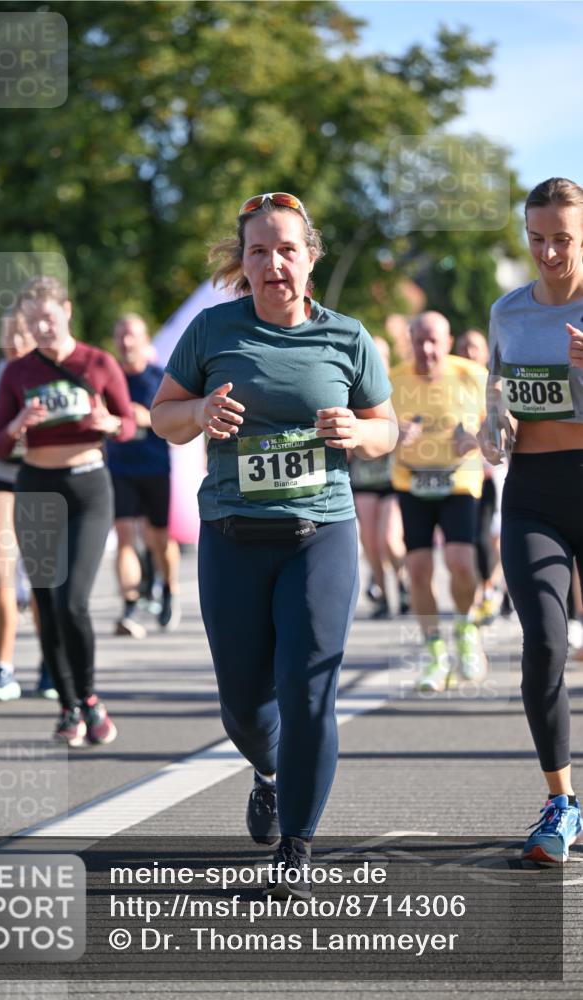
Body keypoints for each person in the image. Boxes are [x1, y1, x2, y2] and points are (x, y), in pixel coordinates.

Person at [151, 192, 397, 897]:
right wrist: (197, 411)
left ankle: (297, 843)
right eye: (257, 251)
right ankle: (268, 771)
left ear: (309, 258)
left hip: (320, 531)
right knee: (243, 703)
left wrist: (358, 432)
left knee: (308, 687)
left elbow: (387, 428)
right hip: (232, 534)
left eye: (286, 249)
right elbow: (161, 415)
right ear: (243, 262)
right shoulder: (210, 330)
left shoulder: (345, 337)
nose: (272, 263)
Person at [478, 177, 583, 863]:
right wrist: (493, 420)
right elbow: (497, 382)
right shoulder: (507, 311)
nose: (547, 252)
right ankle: (560, 802)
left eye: (562, 239)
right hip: (533, 492)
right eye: (536, 238)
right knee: (542, 643)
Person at [0, 276, 136, 746]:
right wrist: (16, 424)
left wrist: (108, 423)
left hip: (88, 487)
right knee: (46, 604)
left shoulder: (97, 361)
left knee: (73, 600)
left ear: (67, 311)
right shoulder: (18, 372)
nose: (42, 329)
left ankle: (91, 700)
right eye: (33, 323)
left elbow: (130, 424)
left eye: (48, 319)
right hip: (35, 485)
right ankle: (67, 706)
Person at [391, 312, 488, 692]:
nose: (427, 349)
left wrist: (477, 438)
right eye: (419, 341)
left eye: (434, 341)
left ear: (448, 342)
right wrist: (393, 433)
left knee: (461, 562)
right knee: (416, 570)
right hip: (411, 480)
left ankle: (466, 630)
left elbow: (501, 421)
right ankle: (434, 650)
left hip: (459, 480)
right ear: (410, 341)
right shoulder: (393, 381)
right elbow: (374, 428)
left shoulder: (471, 376)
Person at [0, 309, 56, 701]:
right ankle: (3, 667)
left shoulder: (51, 373)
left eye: (23, 335)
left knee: (41, 576)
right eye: (10, 335)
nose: (16, 342)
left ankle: (50, 663)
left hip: (41, 477)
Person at [108, 313, 181, 636]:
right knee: (125, 538)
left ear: (144, 340)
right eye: (121, 335)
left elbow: (176, 421)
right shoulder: (109, 379)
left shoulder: (159, 377)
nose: (126, 342)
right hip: (119, 467)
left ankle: (169, 588)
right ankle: (129, 605)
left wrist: (146, 418)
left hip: (155, 467)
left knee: (159, 540)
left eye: (132, 335)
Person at [349, 335, 408, 618]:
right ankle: (385, 596)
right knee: (370, 542)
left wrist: (404, 435)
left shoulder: (399, 390)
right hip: (363, 477)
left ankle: (405, 580)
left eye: (382, 355)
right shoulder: (351, 389)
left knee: (389, 538)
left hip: (394, 478)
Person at [454, 330, 507, 625]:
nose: (469, 353)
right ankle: (483, 594)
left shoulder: (491, 384)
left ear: (486, 353)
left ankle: (491, 589)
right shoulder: (450, 383)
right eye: (464, 347)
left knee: (492, 538)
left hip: (491, 472)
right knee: (476, 539)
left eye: (474, 347)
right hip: (461, 475)